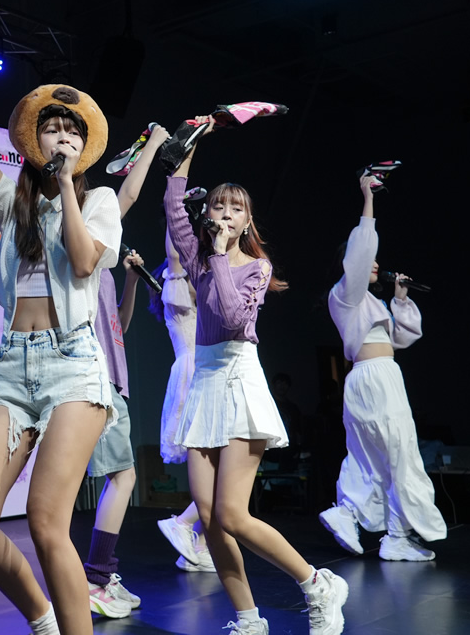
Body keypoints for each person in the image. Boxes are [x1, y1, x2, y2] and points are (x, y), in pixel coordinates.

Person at [0, 3, 122, 635]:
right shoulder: (11, 201)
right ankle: (44, 618)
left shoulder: (99, 200)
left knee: (48, 522)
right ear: (33, 140)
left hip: (73, 365)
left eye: (73, 132)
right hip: (12, 368)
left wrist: (69, 186)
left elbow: (84, 260)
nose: (63, 138)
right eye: (53, 129)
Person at [165, 117, 348, 635]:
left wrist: (222, 255)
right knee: (208, 517)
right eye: (218, 206)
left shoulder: (255, 269)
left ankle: (317, 583)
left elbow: (229, 316)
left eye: (236, 208)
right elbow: (173, 206)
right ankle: (248, 618)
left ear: (247, 221)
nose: (225, 213)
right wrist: (189, 147)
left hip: (238, 380)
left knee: (232, 514)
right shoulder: (199, 258)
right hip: (205, 383)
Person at [319, 173, 447, 562]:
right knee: (397, 453)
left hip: (379, 376)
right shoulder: (345, 295)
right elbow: (361, 252)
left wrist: (401, 300)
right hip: (374, 378)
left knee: (379, 457)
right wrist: (368, 198)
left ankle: (386, 531)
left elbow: (403, 339)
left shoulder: (369, 304)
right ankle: (368, 522)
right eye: (366, 260)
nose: (374, 263)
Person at [82, 125, 170, 618]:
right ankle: (96, 577)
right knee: (124, 477)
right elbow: (129, 194)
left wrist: (132, 282)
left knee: (116, 478)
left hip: (108, 379)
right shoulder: (85, 257)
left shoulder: (102, 276)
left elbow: (119, 326)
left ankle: (96, 576)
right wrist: (154, 143)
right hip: (96, 383)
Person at [153, 228, 217, 573]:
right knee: (215, 468)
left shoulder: (199, 294)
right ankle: (183, 523)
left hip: (208, 373)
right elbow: (176, 256)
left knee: (217, 468)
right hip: (193, 377)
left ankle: (198, 546)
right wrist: (173, 209)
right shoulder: (177, 294)